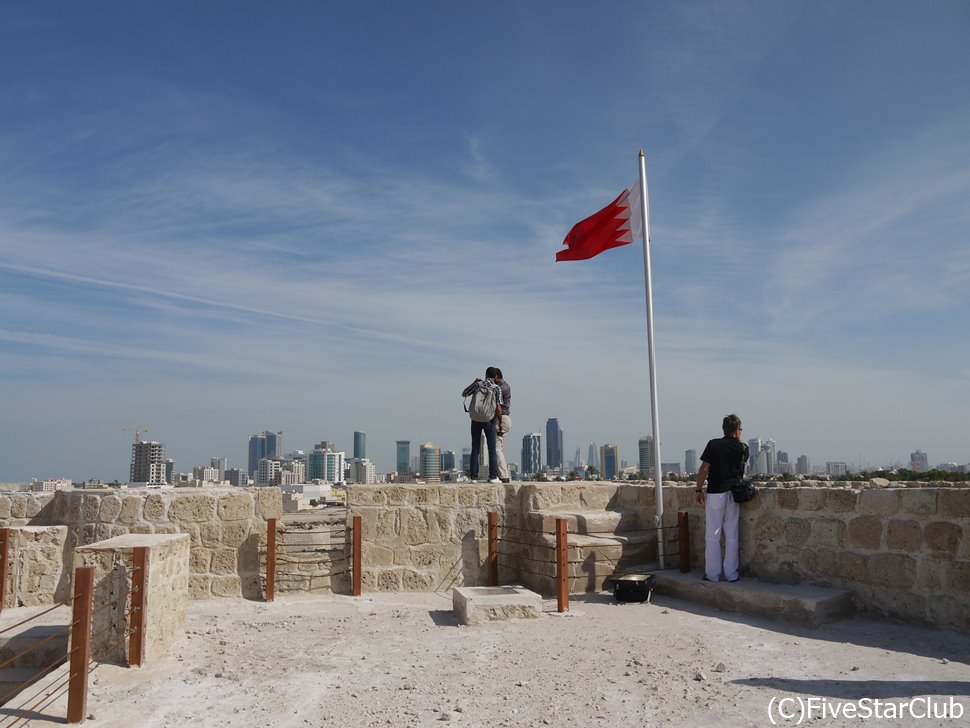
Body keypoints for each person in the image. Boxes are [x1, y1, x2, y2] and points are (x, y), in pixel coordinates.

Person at [694, 414, 749, 582]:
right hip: (734, 494)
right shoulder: (744, 448)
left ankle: (713, 574)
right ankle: (731, 574)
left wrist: (698, 489)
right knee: (732, 534)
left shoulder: (714, 444)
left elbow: (704, 469)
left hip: (716, 492)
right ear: (737, 431)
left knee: (713, 534)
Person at [461, 367, 503, 484]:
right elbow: (499, 408)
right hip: (488, 420)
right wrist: (499, 422)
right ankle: (493, 476)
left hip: (475, 419)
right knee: (491, 449)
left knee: (475, 448)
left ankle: (473, 477)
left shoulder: (478, 385)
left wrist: (474, 382)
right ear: (495, 377)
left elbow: (464, 393)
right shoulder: (496, 388)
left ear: (485, 375)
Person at [493, 368, 512, 483]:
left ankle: (503, 475)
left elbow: (498, 406)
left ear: (496, 376)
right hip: (503, 418)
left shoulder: (501, 388)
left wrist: (499, 423)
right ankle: (501, 474)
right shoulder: (504, 386)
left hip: (502, 419)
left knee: (497, 448)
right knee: (497, 447)